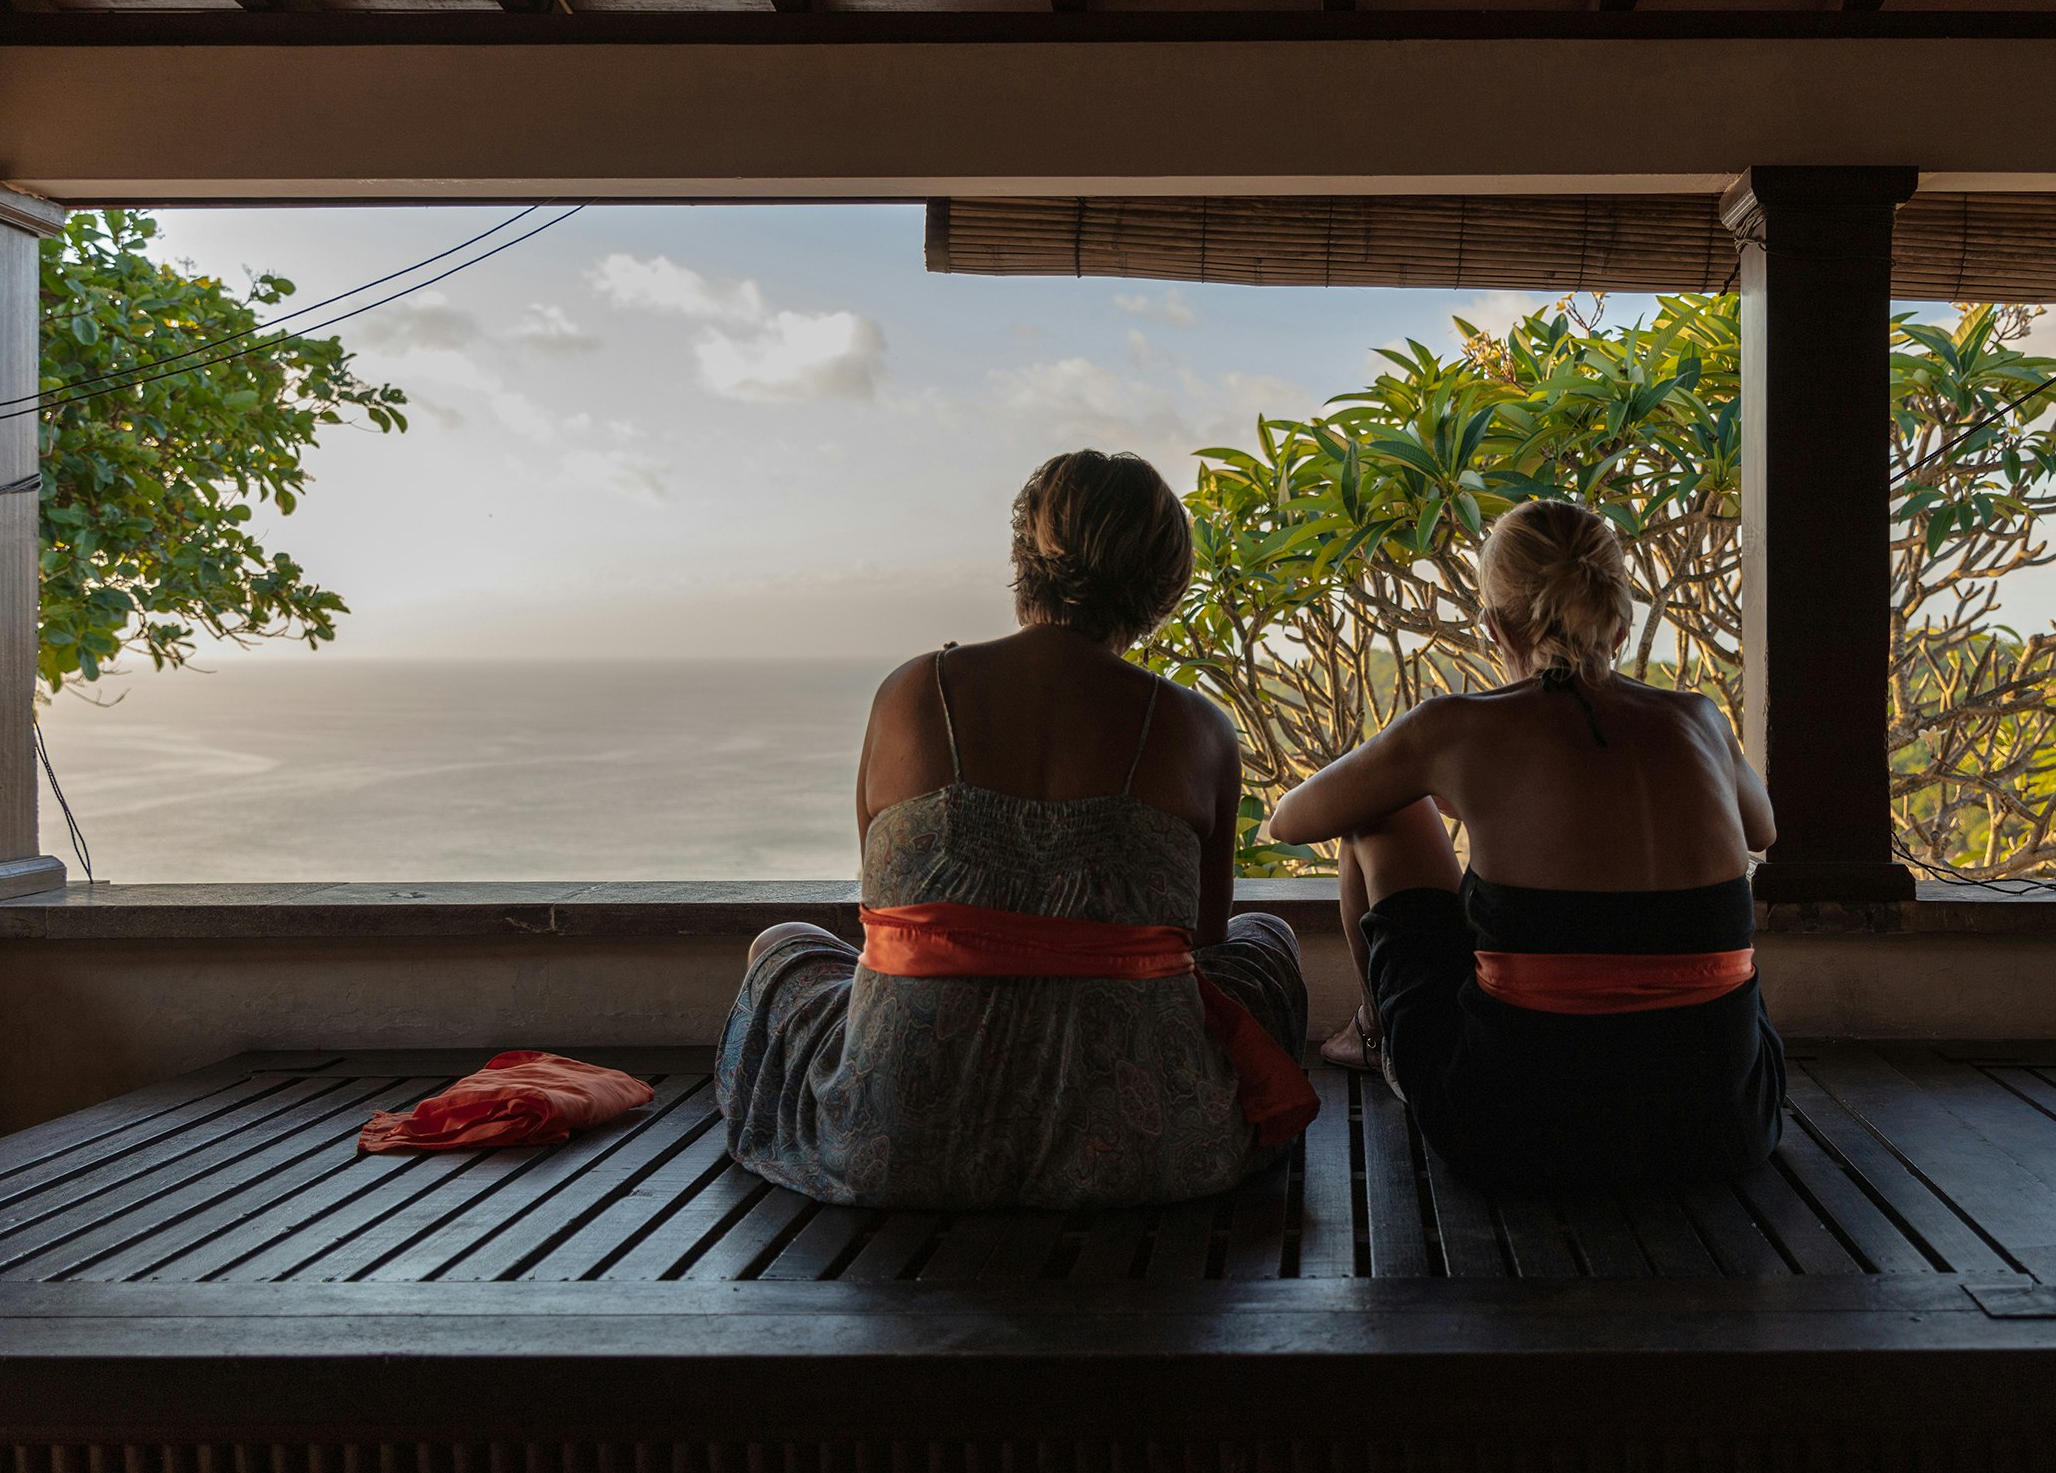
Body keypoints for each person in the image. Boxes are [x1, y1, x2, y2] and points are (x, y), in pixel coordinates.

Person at [718, 450, 1312, 1211]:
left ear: (1023, 557)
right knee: (1271, 941)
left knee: (783, 946)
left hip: (895, 1142)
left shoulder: (912, 692)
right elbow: (1205, 943)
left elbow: (883, 916)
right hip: (1150, 1147)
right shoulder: (1198, 729)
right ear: (1164, 586)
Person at [1266, 497, 1781, 1192]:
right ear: (1620, 623)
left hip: (1517, 1130)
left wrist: (1432, 776)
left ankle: (1375, 1038)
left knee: (1379, 816)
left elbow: (1292, 820)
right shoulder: (1698, 719)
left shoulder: (1456, 726)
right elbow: (1761, 831)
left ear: (1492, 626)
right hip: (1724, 1120)